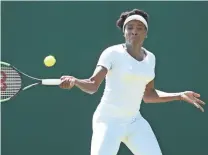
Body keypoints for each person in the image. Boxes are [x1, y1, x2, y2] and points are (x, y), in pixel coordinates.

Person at [59, 9, 205, 155]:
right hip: (108, 121)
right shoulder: (112, 53)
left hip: (135, 122)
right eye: (130, 28)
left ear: (146, 34)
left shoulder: (150, 59)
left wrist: (179, 95)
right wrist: (75, 81)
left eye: (139, 28)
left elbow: (149, 95)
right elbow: (92, 85)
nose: (134, 31)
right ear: (124, 32)